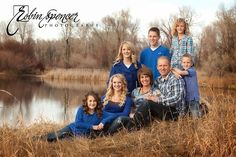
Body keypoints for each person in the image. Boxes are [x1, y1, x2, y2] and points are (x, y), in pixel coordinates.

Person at [130, 56, 186, 128]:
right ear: (157, 67)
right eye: (160, 66)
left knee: (148, 103)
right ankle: (135, 124)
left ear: (170, 66)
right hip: (163, 108)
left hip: (175, 112)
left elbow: (176, 98)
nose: (162, 68)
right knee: (147, 103)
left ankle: (131, 126)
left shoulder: (176, 79)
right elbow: (151, 90)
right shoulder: (158, 80)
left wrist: (157, 99)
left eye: (165, 65)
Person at [106, 67, 160, 134]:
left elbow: (158, 106)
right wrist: (131, 113)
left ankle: (107, 134)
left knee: (121, 119)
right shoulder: (135, 91)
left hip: (145, 117)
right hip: (133, 117)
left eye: (146, 77)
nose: (144, 79)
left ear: (150, 78)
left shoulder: (156, 92)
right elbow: (131, 106)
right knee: (120, 120)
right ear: (139, 79)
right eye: (142, 77)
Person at [38, 91, 107, 142]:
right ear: (86, 102)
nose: (92, 103)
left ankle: (62, 137)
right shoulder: (81, 109)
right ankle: (36, 139)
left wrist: (103, 122)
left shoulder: (100, 112)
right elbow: (77, 123)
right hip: (72, 128)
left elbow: (114, 115)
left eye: (94, 101)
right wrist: (92, 126)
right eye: (90, 101)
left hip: (81, 135)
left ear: (97, 102)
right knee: (55, 135)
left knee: (61, 140)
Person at [172, 53, 201, 118]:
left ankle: (202, 112)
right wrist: (174, 72)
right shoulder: (183, 70)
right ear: (181, 63)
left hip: (193, 99)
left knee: (195, 117)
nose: (186, 64)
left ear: (191, 63)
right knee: (187, 117)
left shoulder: (192, 70)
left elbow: (180, 73)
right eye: (184, 62)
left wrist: (172, 69)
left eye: (188, 62)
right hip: (185, 98)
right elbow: (177, 73)